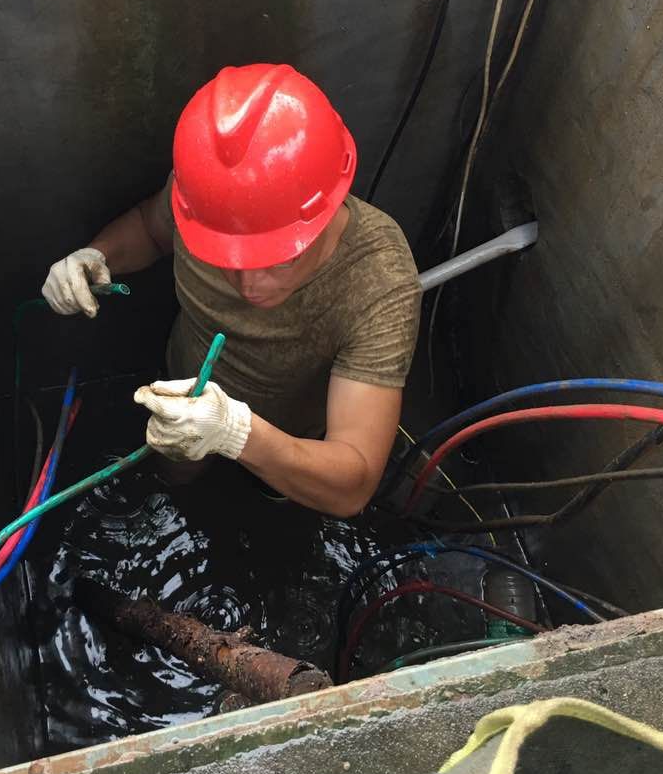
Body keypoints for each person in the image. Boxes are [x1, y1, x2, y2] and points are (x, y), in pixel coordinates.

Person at [42, 64, 421, 518]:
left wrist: (237, 435)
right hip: (180, 389)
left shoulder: (379, 283)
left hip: (289, 441)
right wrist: (95, 255)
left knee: (278, 507)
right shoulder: (206, 199)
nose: (247, 284)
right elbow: (151, 227)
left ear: (325, 209)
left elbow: (352, 483)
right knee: (172, 484)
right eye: (225, 257)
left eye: (277, 257)